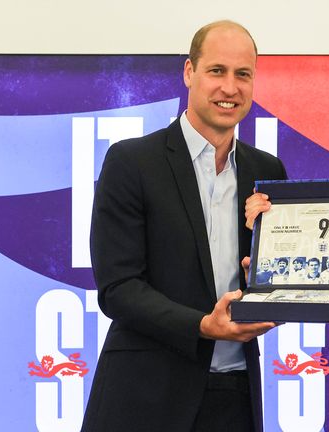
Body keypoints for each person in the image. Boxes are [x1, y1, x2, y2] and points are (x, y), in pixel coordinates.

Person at [82, 20, 287, 432]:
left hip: (235, 398)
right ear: (189, 72)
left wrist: (269, 283)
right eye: (217, 71)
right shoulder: (132, 162)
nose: (230, 88)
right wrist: (201, 326)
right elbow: (118, 288)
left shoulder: (267, 170)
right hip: (144, 399)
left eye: (243, 74)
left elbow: (270, 280)